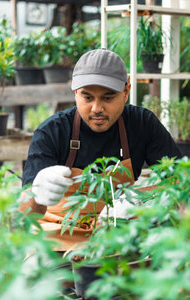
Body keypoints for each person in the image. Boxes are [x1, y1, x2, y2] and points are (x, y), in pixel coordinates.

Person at [20, 48, 181, 250]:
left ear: (126, 92)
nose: (97, 108)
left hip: (116, 237)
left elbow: (180, 181)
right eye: (87, 98)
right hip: (56, 239)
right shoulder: (51, 132)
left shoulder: (142, 124)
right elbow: (24, 216)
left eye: (107, 98)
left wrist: (140, 200)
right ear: (75, 93)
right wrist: (36, 195)